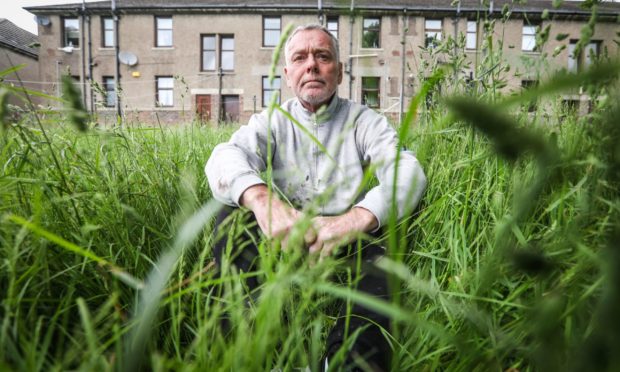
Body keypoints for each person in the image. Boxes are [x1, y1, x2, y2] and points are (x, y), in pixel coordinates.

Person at [205, 24, 426, 371]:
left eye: (323, 57)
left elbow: (408, 171)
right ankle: (261, 353)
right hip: (287, 241)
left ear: (338, 71)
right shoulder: (272, 121)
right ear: (288, 73)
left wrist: (355, 219)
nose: (312, 65)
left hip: (352, 240)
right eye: (300, 57)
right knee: (229, 215)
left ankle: (348, 362)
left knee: (387, 251)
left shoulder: (365, 121)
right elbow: (225, 156)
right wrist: (262, 200)